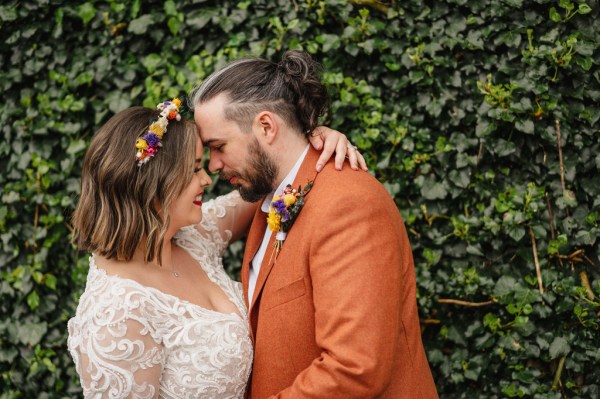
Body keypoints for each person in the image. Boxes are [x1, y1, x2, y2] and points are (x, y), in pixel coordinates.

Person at [66, 98, 364, 398]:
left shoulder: (193, 237)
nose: (207, 179)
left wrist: (312, 147)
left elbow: (277, 179)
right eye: (195, 169)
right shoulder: (115, 313)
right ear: (153, 183)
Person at [191, 50, 439, 398]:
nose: (213, 165)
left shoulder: (348, 204)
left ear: (265, 126)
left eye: (218, 146)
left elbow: (355, 368)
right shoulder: (269, 201)